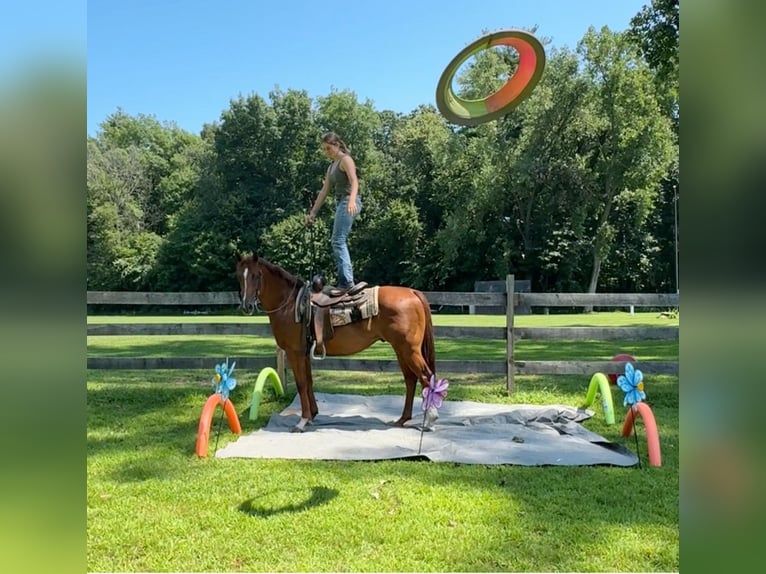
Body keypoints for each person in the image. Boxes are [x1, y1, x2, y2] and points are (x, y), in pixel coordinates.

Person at [306, 132, 362, 291]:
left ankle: (347, 283)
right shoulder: (331, 167)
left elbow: (354, 181)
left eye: (329, 148)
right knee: (337, 240)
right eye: (324, 149)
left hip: (349, 201)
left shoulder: (346, 160)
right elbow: (324, 192)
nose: (327, 152)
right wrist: (313, 213)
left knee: (338, 240)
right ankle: (345, 281)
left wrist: (351, 200)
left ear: (337, 145)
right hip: (341, 203)